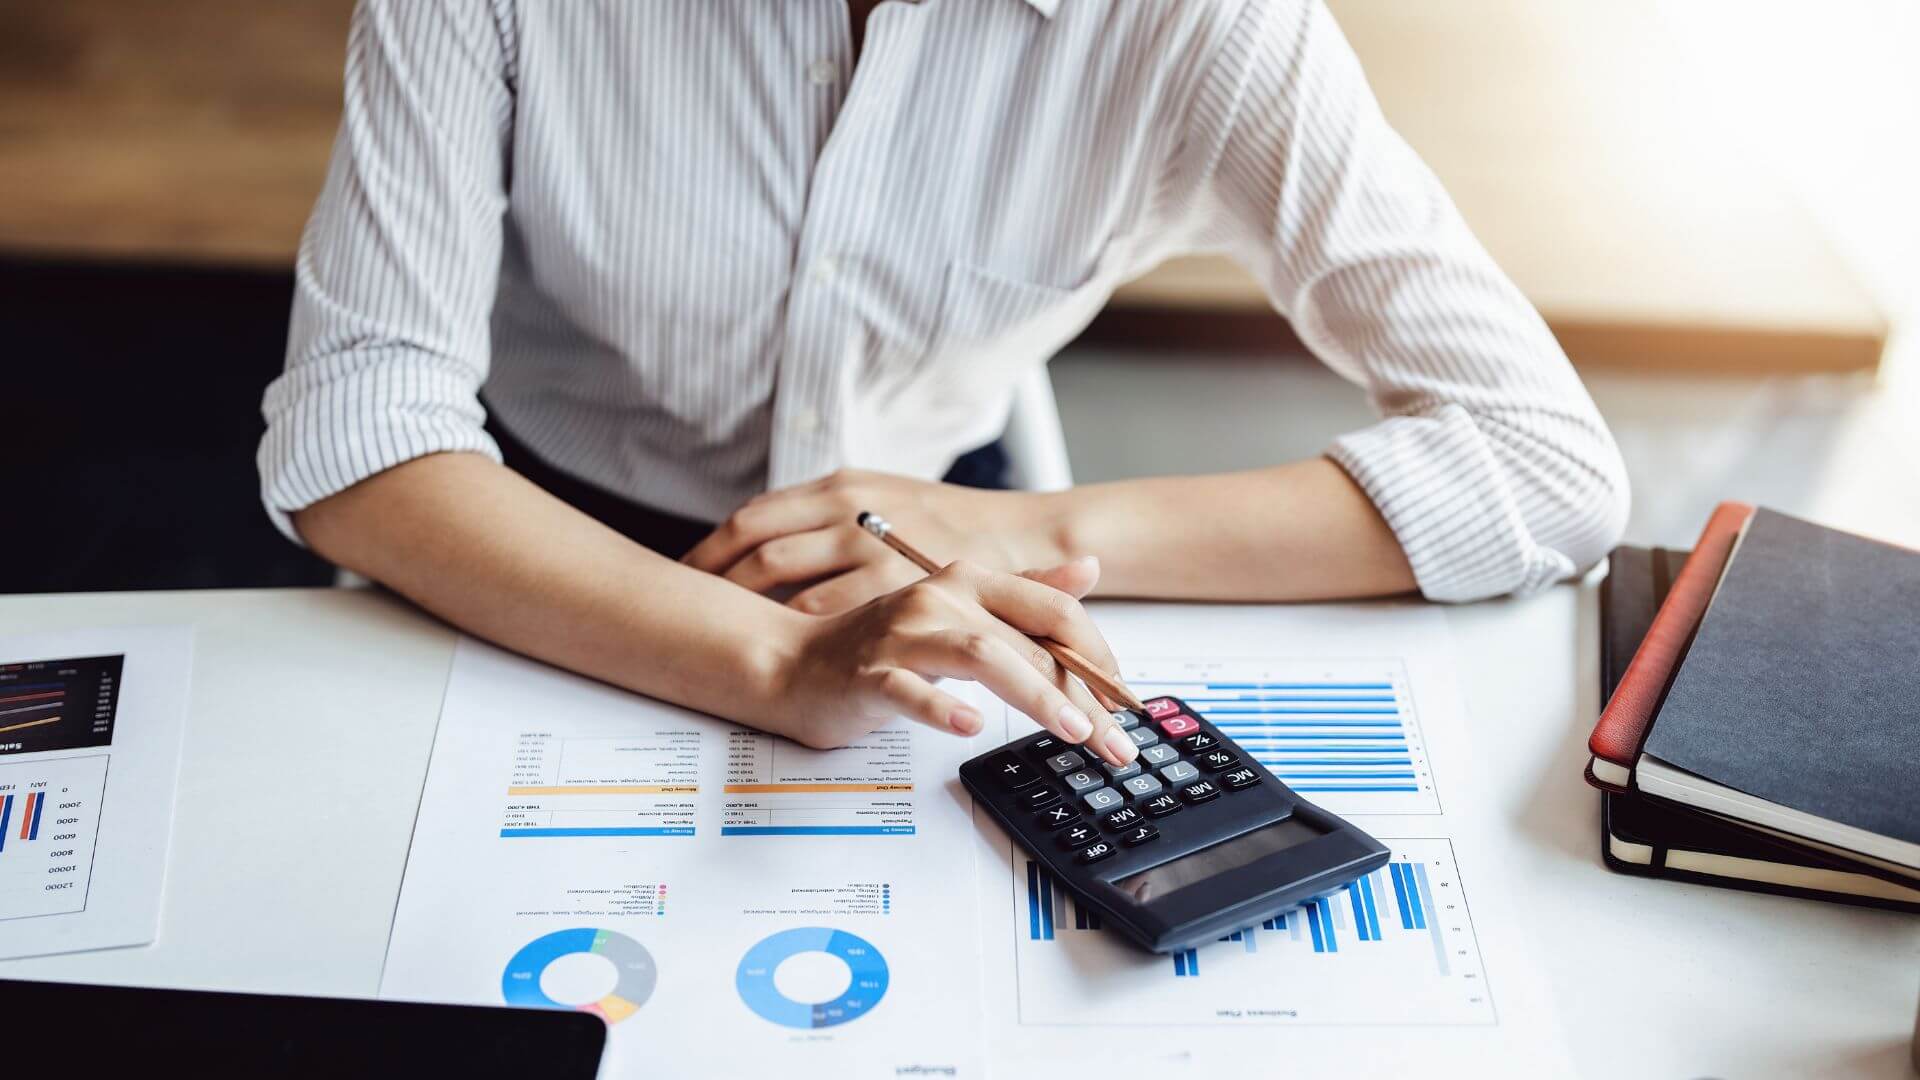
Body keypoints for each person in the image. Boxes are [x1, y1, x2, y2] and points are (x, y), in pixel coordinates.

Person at [261, 0, 1628, 769]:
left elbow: (1544, 467)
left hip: (945, 550)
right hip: (529, 536)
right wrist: (779, 663)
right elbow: (359, 426)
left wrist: (1026, 532)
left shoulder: (1211, 21)